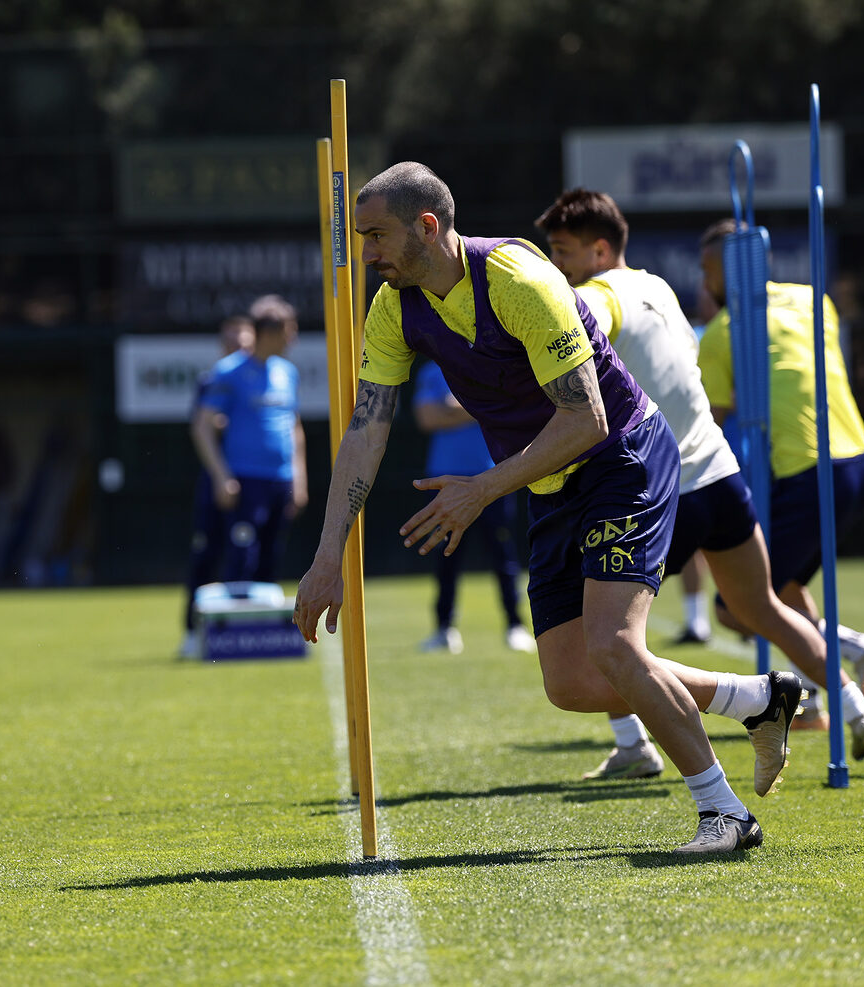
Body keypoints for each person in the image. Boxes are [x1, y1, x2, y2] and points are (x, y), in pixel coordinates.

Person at [294, 161, 804, 855]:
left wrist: (481, 487)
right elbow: (365, 431)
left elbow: (587, 418)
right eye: (361, 238)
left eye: (377, 236)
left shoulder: (519, 281)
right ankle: (756, 698)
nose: (368, 254)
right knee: (572, 681)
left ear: (428, 226)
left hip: (619, 457)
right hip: (547, 483)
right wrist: (327, 558)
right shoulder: (393, 308)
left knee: (615, 644)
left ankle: (725, 813)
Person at [534, 189, 864, 782]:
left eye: (564, 250)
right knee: (765, 607)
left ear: (600, 248)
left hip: (660, 488)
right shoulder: (658, 287)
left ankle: (639, 744)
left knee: (595, 632)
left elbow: (562, 352)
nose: (557, 264)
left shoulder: (592, 296)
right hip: (720, 476)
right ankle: (858, 712)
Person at [698, 217, 864, 724]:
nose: (707, 284)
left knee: (737, 604)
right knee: (783, 587)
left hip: (806, 470)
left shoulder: (724, 333)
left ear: (727, 271)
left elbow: (707, 424)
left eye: (709, 271)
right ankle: (816, 697)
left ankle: (861, 654)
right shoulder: (815, 300)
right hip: (858, 459)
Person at [412, 359, 535, 655]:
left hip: (492, 477)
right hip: (445, 478)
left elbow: (507, 410)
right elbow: (428, 418)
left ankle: (515, 626)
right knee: (446, 558)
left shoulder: (491, 364)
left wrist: (454, 408)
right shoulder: (432, 371)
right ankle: (443, 629)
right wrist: (479, 407)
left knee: (502, 555)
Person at [189, 294, 307, 599]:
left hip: (280, 481)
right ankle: (233, 636)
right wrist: (221, 476)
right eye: (289, 330)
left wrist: (299, 479)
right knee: (241, 556)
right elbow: (202, 426)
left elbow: (294, 428)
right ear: (270, 332)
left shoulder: (287, 372)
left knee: (271, 557)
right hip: (244, 479)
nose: (293, 337)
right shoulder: (229, 372)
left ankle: (262, 636)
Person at [178, 314, 256, 659]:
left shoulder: (264, 377)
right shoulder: (213, 379)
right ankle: (193, 633)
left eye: (244, 343)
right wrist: (221, 475)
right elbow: (203, 425)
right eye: (231, 343)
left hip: (251, 479)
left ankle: (243, 632)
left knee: (245, 556)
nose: (237, 349)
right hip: (217, 480)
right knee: (204, 555)